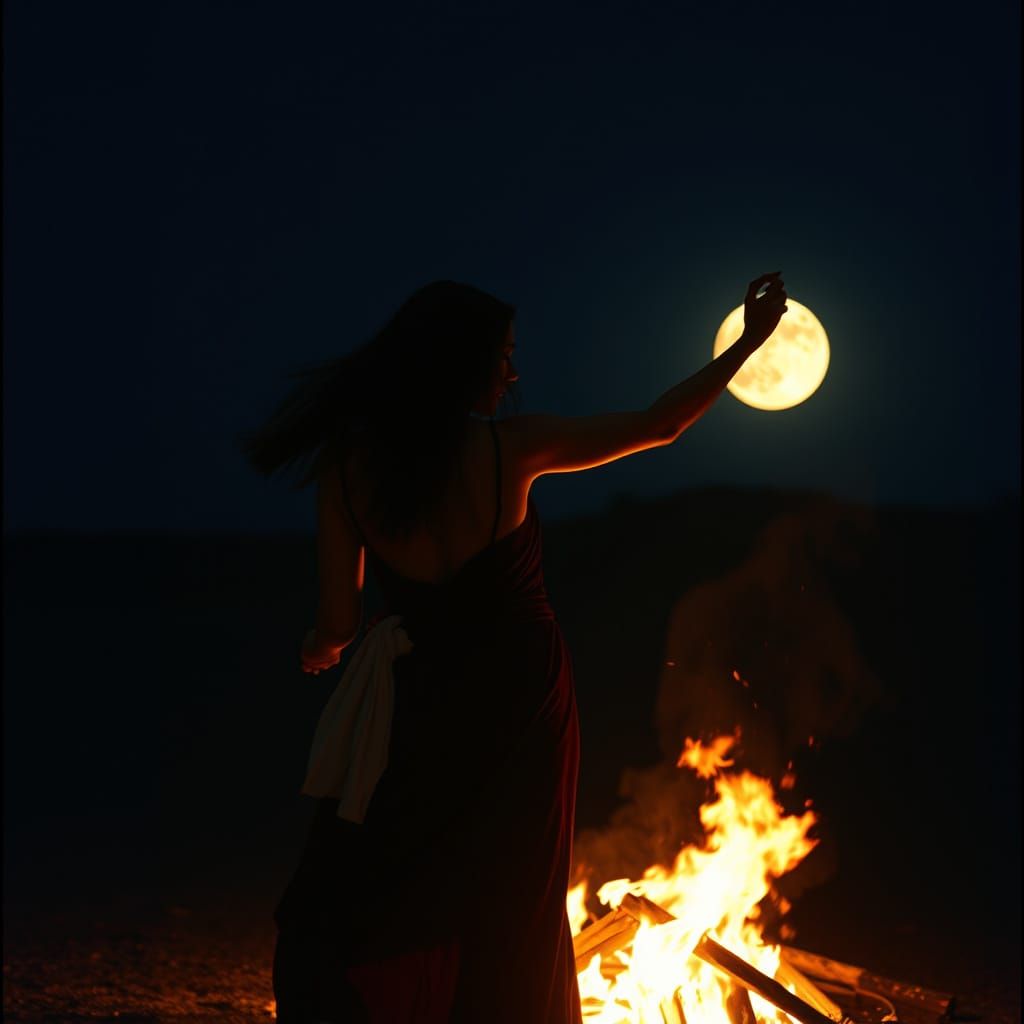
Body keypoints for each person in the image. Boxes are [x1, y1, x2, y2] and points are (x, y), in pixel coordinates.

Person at [240, 272, 788, 1023]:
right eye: (502, 356)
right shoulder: (510, 449)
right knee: (513, 885)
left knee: (400, 856)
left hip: (424, 694)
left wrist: (319, 650)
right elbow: (660, 425)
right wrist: (746, 345)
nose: (513, 374)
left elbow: (338, 623)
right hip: (521, 695)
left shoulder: (346, 470)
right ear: (458, 364)